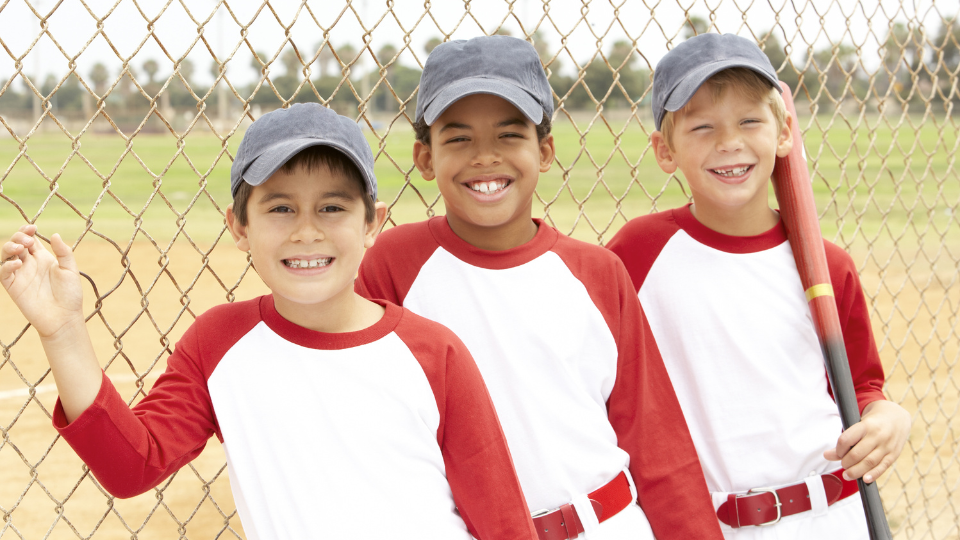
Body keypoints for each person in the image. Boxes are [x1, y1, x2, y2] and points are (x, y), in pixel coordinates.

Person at [0, 103, 539, 540]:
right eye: (280, 208)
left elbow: (502, 522)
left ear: (372, 223)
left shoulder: (432, 352)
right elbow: (130, 466)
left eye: (332, 208)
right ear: (239, 227)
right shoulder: (219, 344)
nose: (307, 231)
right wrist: (63, 330)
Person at [356, 35, 723, 540]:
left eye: (509, 136)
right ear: (424, 158)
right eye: (458, 139)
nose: (485, 157)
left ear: (545, 150)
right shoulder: (394, 266)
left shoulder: (596, 271)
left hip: (609, 522)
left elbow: (655, 438)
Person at [606, 33, 912, 538]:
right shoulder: (638, 254)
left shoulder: (825, 265)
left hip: (835, 514)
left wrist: (889, 416)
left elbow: (861, 387)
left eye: (750, 120)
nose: (730, 142)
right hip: (719, 521)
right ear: (665, 151)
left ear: (784, 132)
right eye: (702, 127)